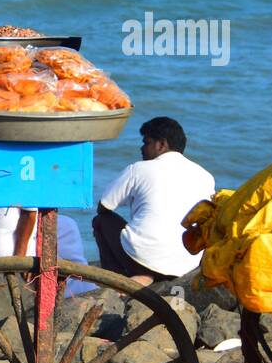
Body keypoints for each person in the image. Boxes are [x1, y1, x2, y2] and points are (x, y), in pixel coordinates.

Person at [92, 117, 215, 285]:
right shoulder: (206, 176)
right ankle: (154, 277)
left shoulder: (138, 169)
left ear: (161, 145)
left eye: (146, 142)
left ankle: (118, 282)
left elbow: (104, 207)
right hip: (187, 264)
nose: (142, 148)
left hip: (141, 260)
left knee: (101, 221)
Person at [0, 207, 96, 296]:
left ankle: (77, 286)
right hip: (12, 251)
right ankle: (82, 291)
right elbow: (29, 214)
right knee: (68, 227)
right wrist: (21, 259)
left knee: (65, 224)